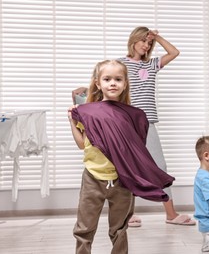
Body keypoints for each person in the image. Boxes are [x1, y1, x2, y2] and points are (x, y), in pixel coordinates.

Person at [72, 27, 195, 227]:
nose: (146, 45)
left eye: (149, 43)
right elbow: (107, 80)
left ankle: (170, 214)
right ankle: (128, 214)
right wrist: (86, 89)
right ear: (134, 40)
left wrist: (158, 37)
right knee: (126, 166)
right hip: (124, 120)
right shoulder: (121, 64)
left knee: (159, 166)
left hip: (147, 121)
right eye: (143, 41)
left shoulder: (152, 64)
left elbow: (174, 53)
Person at [68, 60, 174, 254]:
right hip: (93, 177)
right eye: (107, 79)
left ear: (125, 83)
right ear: (98, 83)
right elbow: (83, 144)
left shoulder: (132, 115)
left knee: (119, 228)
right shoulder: (88, 112)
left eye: (118, 79)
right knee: (84, 228)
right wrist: (72, 122)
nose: (113, 83)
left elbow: (135, 149)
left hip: (121, 179)